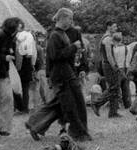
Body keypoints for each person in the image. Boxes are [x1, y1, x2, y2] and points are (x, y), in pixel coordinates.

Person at [26, 8, 92, 142]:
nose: (71, 21)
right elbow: (54, 56)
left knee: (61, 105)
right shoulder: (55, 35)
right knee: (73, 104)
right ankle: (78, 133)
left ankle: (34, 124)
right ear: (62, 18)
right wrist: (73, 47)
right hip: (62, 76)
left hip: (66, 74)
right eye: (69, 18)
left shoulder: (60, 34)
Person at [92, 21, 129, 118]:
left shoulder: (107, 38)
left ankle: (113, 112)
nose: (116, 28)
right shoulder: (107, 39)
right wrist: (115, 67)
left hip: (109, 65)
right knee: (113, 88)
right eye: (114, 26)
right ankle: (97, 103)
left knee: (115, 88)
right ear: (108, 27)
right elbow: (109, 55)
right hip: (109, 65)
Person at [15, 24, 38, 112]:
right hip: (27, 67)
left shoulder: (18, 41)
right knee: (25, 88)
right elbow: (33, 56)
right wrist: (33, 65)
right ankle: (24, 108)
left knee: (18, 88)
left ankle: (19, 107)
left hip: (21, 68)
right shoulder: (31, 41)